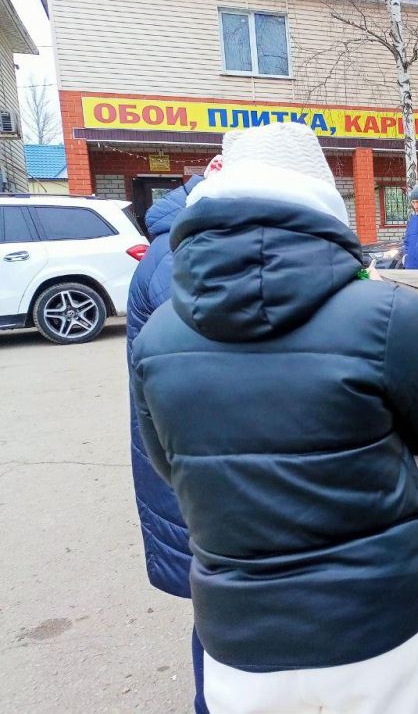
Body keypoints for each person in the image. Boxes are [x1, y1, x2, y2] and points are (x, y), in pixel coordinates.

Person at [130, 123, 418, 714]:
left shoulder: (158, 336)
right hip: (379, 618)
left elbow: (166, 465)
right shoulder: (385, 313)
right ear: (322, 201)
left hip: (243, 633)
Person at [126, 161, 216, 714]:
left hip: (191, 469)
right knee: (219, 610)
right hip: (196, 480)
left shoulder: (181, 243)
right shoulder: (179, 257)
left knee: (219, 606)